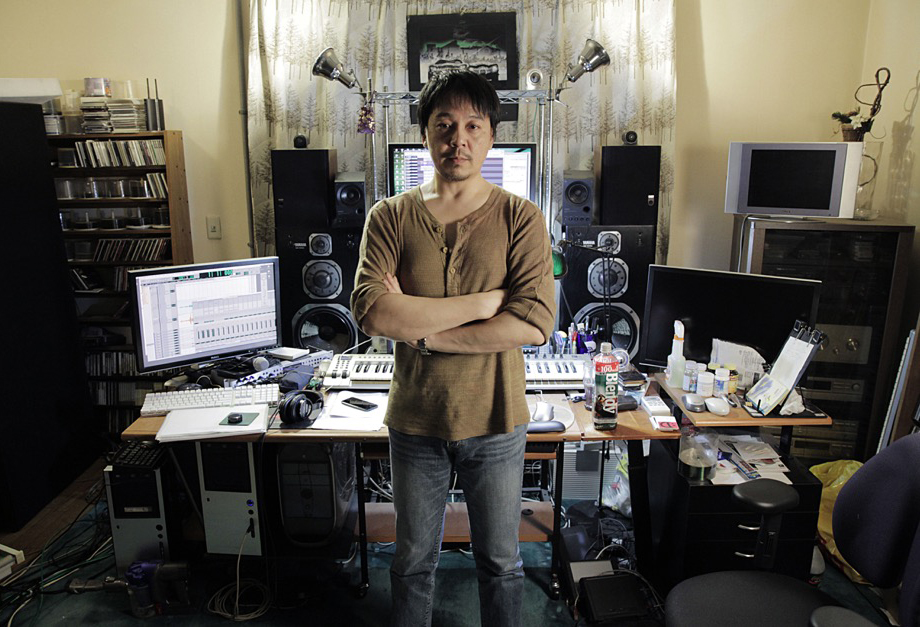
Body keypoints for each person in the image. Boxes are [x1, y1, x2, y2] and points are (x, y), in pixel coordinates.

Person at [350, 70, 556, 626]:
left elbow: (534, 323)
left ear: (491, 136)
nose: (457, 139)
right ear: (425, 134)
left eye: (472, 126)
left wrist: (424, 332)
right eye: (444, 125)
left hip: (496, 418)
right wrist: (486, 302)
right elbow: (373, 312)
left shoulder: (521, 217)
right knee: (412, 562)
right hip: (416, 420)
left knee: (502, 563)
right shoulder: (389, 217)